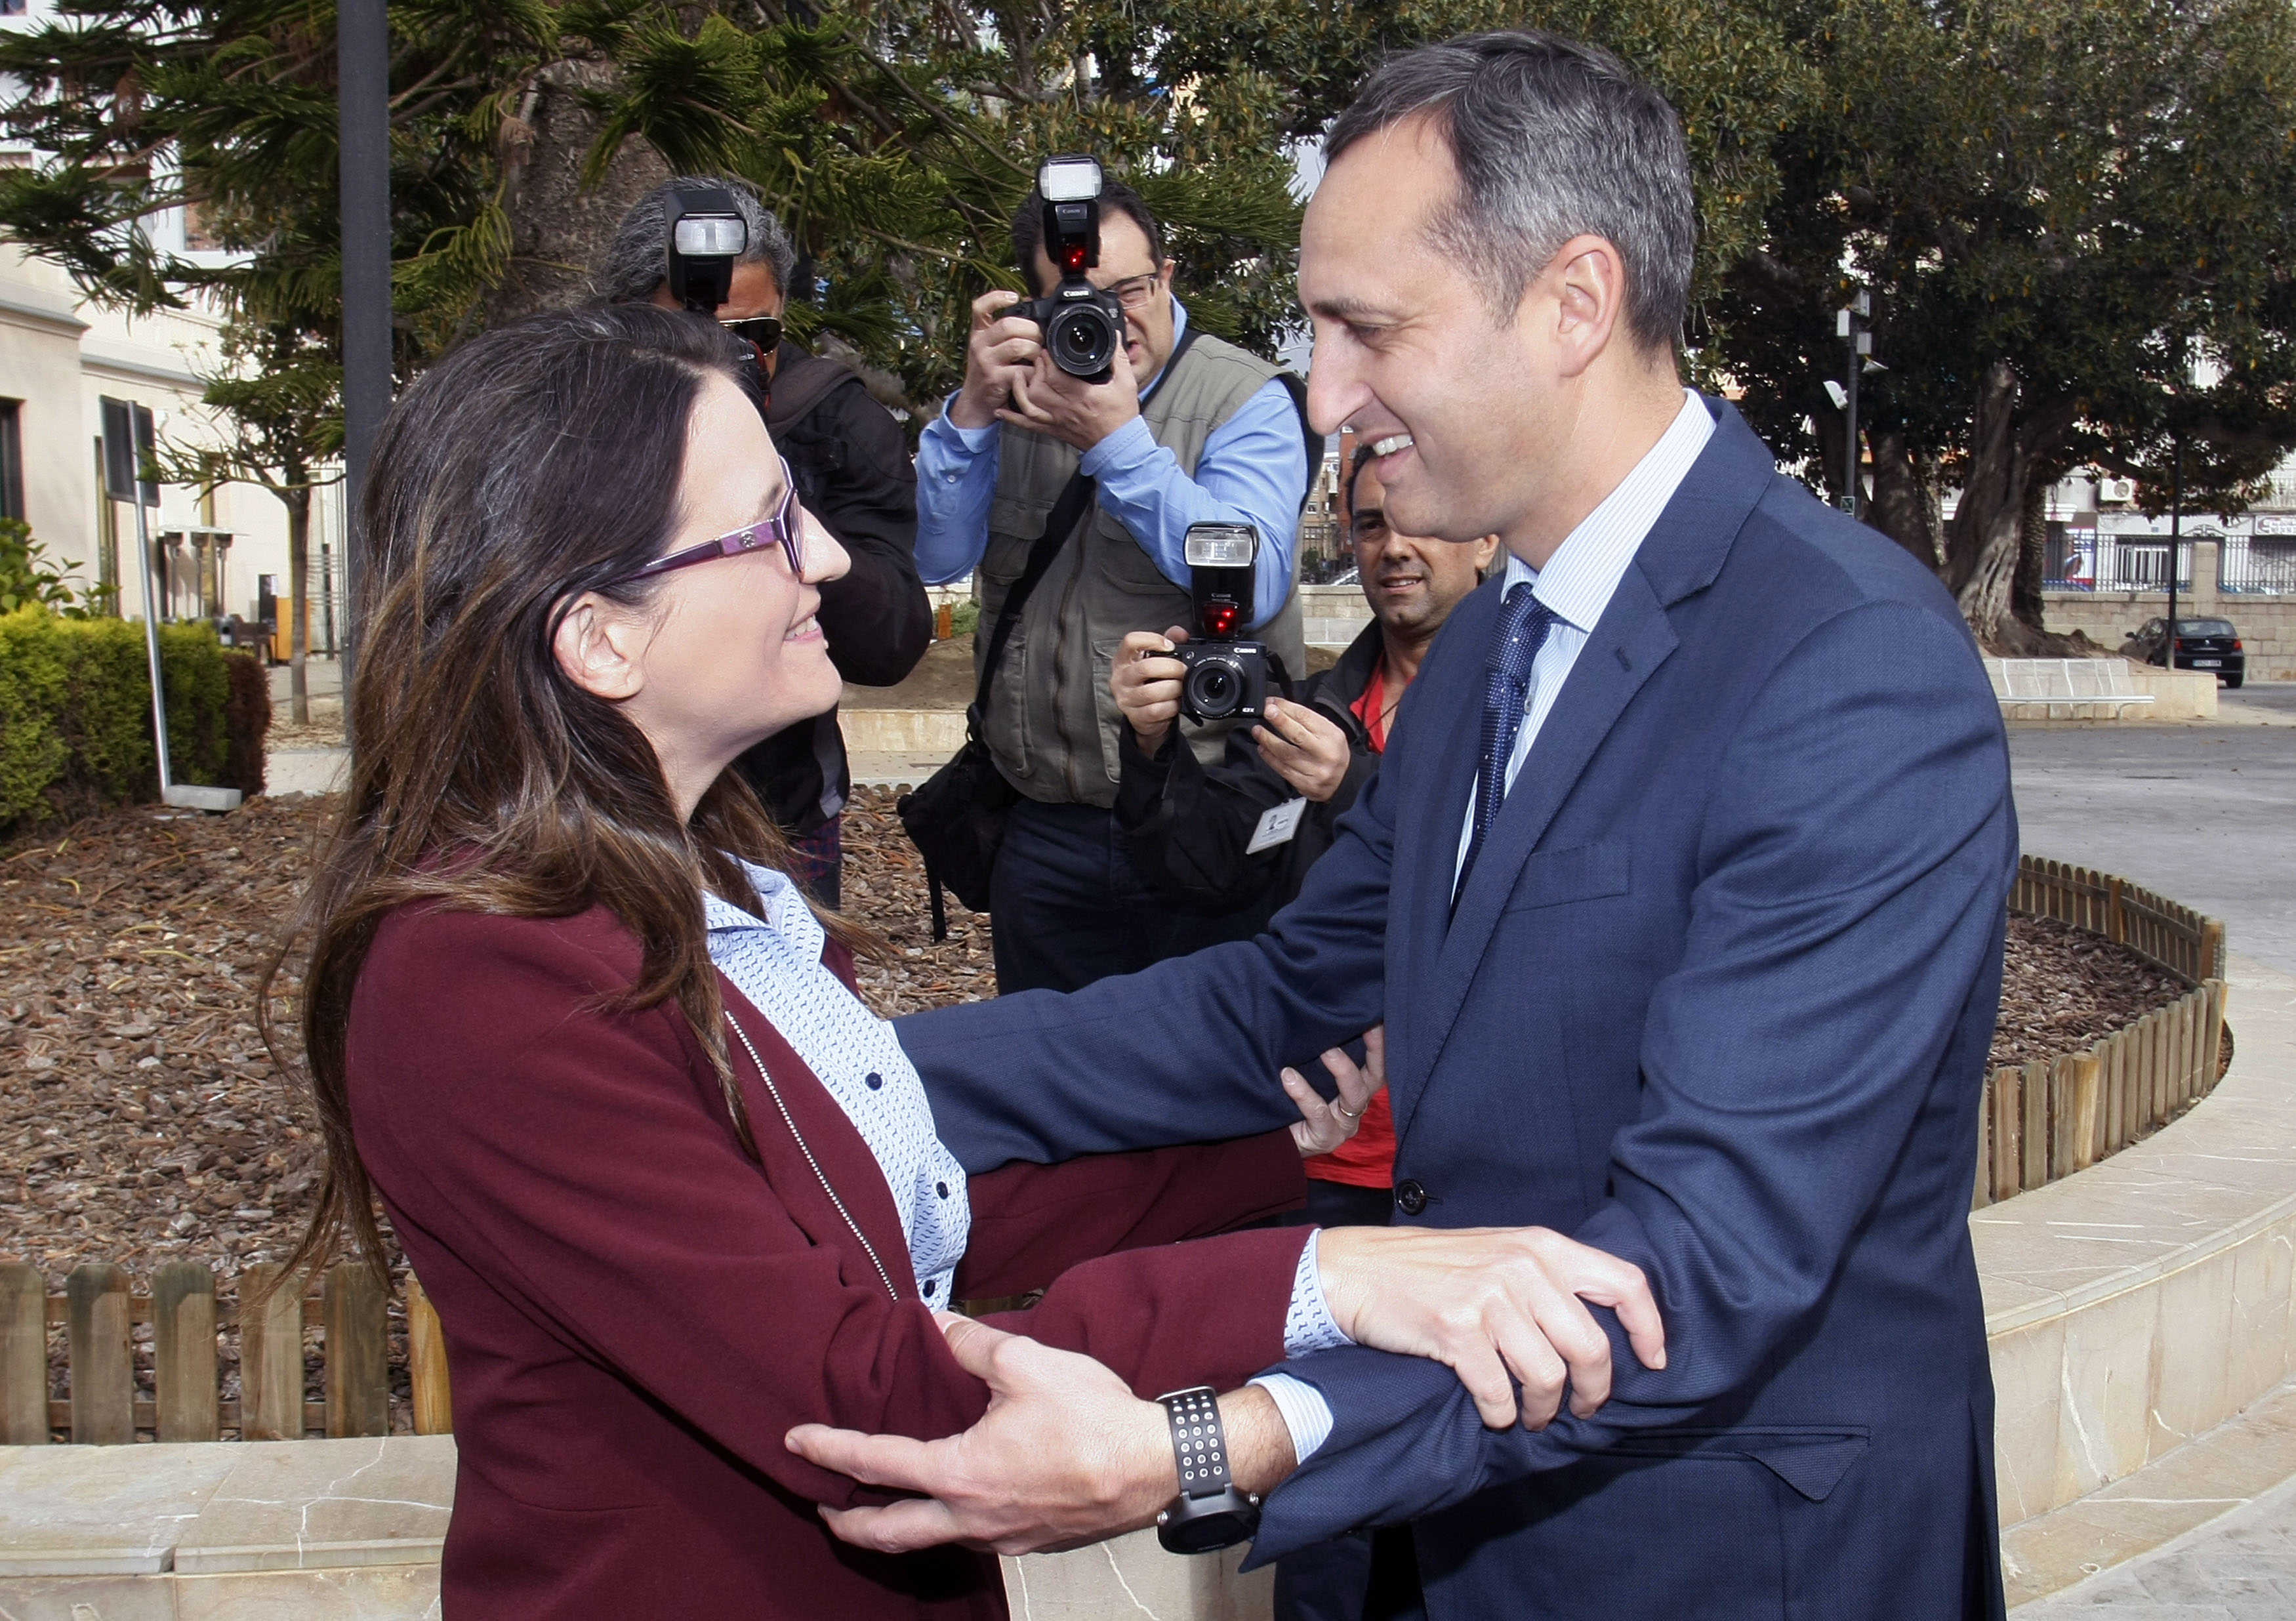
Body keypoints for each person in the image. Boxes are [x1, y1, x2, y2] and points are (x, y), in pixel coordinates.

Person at [792, 31, 2020, 1621]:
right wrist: (820, 1068)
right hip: (1455, 1528)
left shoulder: (1847, 666)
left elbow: (1708, 1262)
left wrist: (1204, 1441)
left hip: (1725, 1557)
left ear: (1573, 302)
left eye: (1367, 329)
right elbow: (1276, 1001)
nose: (1324, 396)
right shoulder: (1497, 634)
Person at [262, 302, 1668, 1620]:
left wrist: (1263, 1162)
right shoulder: (480, 974)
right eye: (766, 526)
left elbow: (893, 1217)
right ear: (601, 635)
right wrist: (1328, 1278)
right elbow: (861, 1387)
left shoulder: (687, 890)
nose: (826, 557)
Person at [1113, 448, 1496, 1621]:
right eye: (1369, 523)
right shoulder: (1309, 704)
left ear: (1488, 536)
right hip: (1328, 1167)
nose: (1393, 547)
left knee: (1468, 1509)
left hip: (1475, 1175)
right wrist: (1151, 748)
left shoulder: (1531, 705)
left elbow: (1519, 898)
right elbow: (1199, 873)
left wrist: (1363, 790)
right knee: (1322, 1504)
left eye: (1422, 520)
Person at [913, 174, 1315, 992]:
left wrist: (1118, 443)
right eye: (1078, 300)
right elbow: (937, 557)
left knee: (1207, 1053)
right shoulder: (1018, 399)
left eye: (1129, 290)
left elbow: (1256, 578)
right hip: (1041, 820)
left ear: (1165, 276)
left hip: (1200, 809)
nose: (1109, 318)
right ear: (1034, 305)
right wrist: (971, 415)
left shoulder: (1245, 398)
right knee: (1049, 1058)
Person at [598, 174, 930, 905]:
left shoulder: (834, 420)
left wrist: (776, 506)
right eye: (690, 336)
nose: (728, 360)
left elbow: (893, 643)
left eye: (755, 336)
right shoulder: (571, 412)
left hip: (780, 814)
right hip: (604, 803)